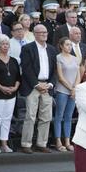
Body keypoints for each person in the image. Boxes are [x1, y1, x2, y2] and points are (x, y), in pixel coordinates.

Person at [19, 24, 57, 154]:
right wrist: (37, 84)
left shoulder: (52, 49)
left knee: (46, 117)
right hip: (33, 86)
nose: (44, 34)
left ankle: (42, 143)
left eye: (45, 32)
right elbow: (26, 68)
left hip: (47, 86)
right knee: (30, 116)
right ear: (34, 34)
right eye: (41, 32)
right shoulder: (27, 48)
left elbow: (55, 70)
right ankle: (26, 144)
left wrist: (50, 84)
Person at [54, 37, 80, 152]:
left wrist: (75, 88)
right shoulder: (58, 57)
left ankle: (68, 141)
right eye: (67, 45)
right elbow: (60, 77)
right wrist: (71, 88)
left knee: (69, 116)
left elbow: (78, 75)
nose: (69, 47)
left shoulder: (75, 59)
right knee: (59, 116)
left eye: (70, 45)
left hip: (73, 91)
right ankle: (58, 141)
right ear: (61, 46)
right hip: (62, 90)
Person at [0, 34, 21, 153]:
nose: (5, 46)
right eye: (3, 44)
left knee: (7, 118)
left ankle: (4, 143)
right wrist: (1, 88)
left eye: (7, 44)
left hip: (12, 93)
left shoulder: (14, 60)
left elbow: (18, 77)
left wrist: (15, 88)